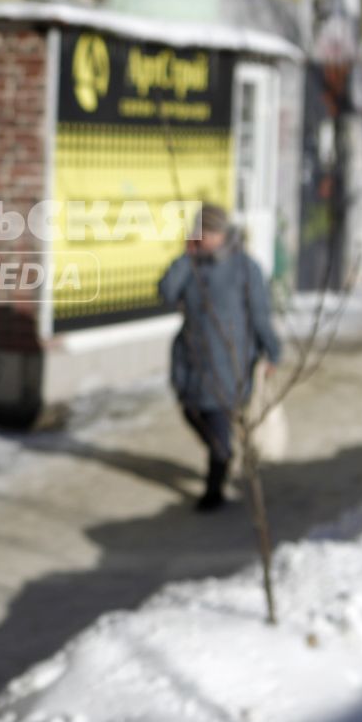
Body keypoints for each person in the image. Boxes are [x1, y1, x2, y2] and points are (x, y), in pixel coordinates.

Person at [158, 202, 282, 512]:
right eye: (201, 232)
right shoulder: (192, 266)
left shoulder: (245, 268)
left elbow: (260, 314)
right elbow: (166, 293)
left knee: (218, 427)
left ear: (222, 234)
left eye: (210, 232)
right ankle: (223, 459)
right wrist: (186, 258)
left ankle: (214, 489)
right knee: (191, 411)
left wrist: (272, 351)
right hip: (192, 359)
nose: (206, 238)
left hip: (231, 359)